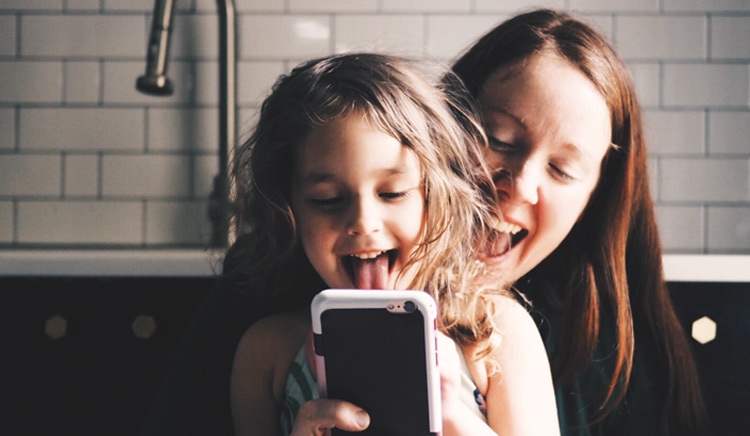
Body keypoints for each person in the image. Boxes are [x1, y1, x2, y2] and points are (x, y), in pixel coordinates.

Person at [227, 52, 559, 435]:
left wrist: (451, 413)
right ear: (289, 212)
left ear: (435, 198)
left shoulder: (495, 333)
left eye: (394, 193)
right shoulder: (267, 353)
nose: (364, 223)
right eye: (327, 200)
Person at [447, 8, 711, 436]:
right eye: (499, 140)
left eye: (563, 169)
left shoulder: (613, 373)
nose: (520, 185)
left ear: (593, 203)